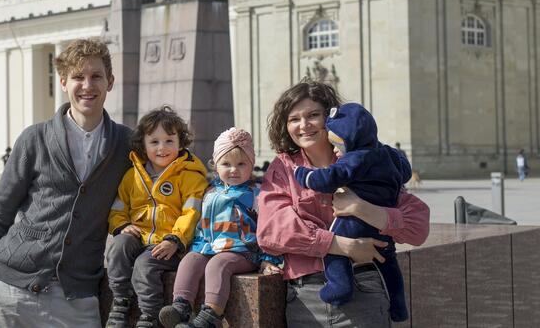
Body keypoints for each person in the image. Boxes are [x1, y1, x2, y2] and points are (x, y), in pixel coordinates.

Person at [0, 38, 132, 328]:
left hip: (76, 301)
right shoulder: (35, 139)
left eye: (96, 76)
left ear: (110, 82)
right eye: (77, 77)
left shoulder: (125, 144)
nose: (87, 85)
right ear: (62, 82)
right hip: (9, 293)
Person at [257, 80, 430, 328]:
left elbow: (418, 226)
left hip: (365, 288)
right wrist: (342, 245)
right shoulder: (284, 167)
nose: (303, 125)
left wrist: (361, 208)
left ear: (330, 118)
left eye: (313, 115)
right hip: (305, 297)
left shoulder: (367, 158)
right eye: (294, 119)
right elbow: (272, 230)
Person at [293, 103, 410, 321]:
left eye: (337, 144)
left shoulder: (354, 158)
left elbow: (328, 179)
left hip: (353, 223)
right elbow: (405, 171)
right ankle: (399, 307)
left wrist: (302, 174)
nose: (336, 150)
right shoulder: (387, 155)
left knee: (332, 249)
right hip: (381, 228)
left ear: (350, 139)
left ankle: (340, 288)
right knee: (389, 263)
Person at [158, 128, 282, 328]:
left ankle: (211, 315)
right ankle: (181, 306)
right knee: (191, 260)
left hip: (243, 252)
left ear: (251, 164)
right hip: (210, 246)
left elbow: (271, 228)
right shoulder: (210, 192)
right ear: (216, 166)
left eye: (241, 164)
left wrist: (268, 259)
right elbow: (202, 225)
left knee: (218, 264)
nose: (234, 170)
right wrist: (196, 246)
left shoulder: (256, 194)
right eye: (226, 164)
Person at [105, 106, 208, 328]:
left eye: (169, 141)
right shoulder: (132, 176)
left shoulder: (189, 175)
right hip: (139, 237)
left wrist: (175, 239)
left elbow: (192, 213)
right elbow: (118, 208)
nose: (162, 148)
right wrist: (122, 226)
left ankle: (150, 315)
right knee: (118, 246)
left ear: (180, 143)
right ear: (143, 145)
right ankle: (120, 300)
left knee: (144, 265)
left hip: (169, 245)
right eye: (154, 142)